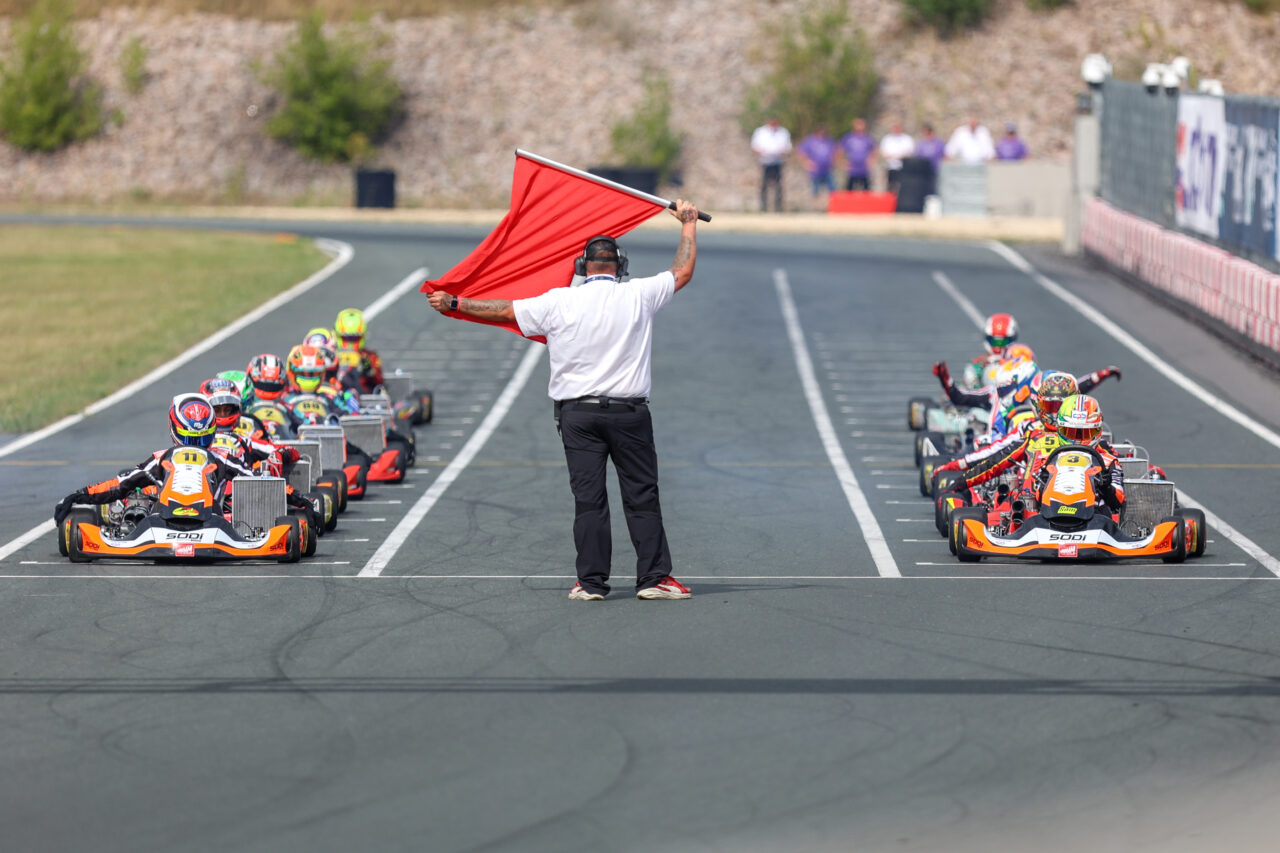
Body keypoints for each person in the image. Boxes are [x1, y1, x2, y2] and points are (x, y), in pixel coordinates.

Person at [426, 200, 701, 601]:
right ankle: (654, 579)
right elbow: (683, 271)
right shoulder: (639, 294)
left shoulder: (557, 301)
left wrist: (456, 304)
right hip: (629, 413)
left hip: (578, 415)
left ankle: (591, 584)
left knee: (589, 500)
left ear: (581, 267)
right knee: (642, 495)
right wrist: (689, 224)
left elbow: (502, 310)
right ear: (619, 266)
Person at [53, 393, 316, 527]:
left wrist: (299, 500)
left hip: (215, 519)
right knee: (135, 489)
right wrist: (80, 496)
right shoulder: (163, 459)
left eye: (199, 438)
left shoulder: (220, 459)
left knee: (255, 505)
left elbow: (261, 482)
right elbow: (122, 483)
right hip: (160, 517)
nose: (196, 445)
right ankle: (134, 514)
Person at [750, 117, 792, 212]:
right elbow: (754, 147)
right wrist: (764, 152)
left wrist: (781, 152)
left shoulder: (783, 132)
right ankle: (763, 207)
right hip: (765, 162)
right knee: (764, 185)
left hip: (778, 162)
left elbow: (788, 149)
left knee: (778, 186)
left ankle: (778, 207)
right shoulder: (761, 132)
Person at [795, 125, 837, 205]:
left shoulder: (829, 140)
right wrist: (806, 162)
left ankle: (833, 206)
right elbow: (800, 151)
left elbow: (836, 151)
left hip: (827, 169)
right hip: (815, 170)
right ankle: (816, 207)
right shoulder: (810, 140)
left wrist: (834, 161)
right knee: (815, 190)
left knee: (832, 189)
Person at [878, 120, 915, 194]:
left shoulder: (907, 139)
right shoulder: (887, 139)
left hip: (903, 166)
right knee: (890, 185)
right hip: (890, 166)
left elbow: (910, 152)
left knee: (903, 185)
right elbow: (882, 152)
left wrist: (898, 156)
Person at [838, 117, 876, 190]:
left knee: (866, 190)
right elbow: (840, 150)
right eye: (858, 124)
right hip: (852, 169)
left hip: (864, 169)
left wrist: (871, 160)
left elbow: (874, 149)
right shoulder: (848, 137)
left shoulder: (867, 138)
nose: (859, 126)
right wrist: (843, 162)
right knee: (849, 190)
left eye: (861, 124)